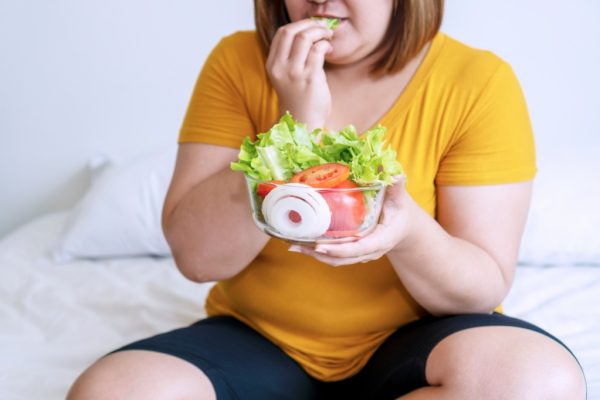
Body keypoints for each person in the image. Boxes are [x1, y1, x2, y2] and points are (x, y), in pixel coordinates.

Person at [67, 0, 587, 399]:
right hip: (259, 337)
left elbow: (479, 288)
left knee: (539, 380)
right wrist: (293, 128)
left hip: (421, 337)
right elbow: (197, 260)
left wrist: (407, 232)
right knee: (111, 391)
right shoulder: (237, 61)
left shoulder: (477, 81)